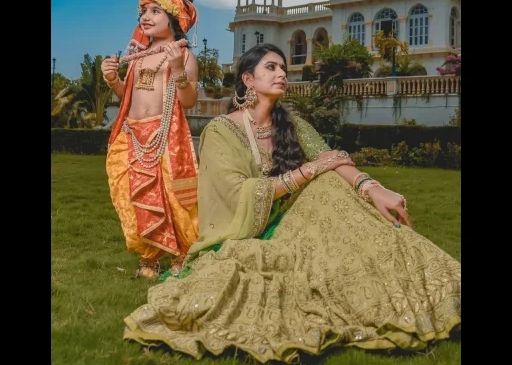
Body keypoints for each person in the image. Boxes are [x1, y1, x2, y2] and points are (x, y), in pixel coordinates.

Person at [123, 43, 461, 362]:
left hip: (302, 217)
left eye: (283, 68)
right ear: (248, 79)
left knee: (336, 188)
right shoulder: (222, 131)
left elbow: (330, 158)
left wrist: (372, 188)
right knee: (323, 181)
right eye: (271, 67)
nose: (282, 73)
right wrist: (309, 171)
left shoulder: (290, 123)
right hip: (255, 231)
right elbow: (236, 193)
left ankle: (431, 281)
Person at [101, 0, 201, 279]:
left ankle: (181, 254)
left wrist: (178, 70)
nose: (146, 16)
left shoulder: (183, 57)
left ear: (175, 19)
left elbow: (189, 102)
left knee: (171, 196)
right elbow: (128, 97)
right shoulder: (138, 57)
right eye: (143, 11)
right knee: (134, 196)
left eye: (156, 10)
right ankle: (149, 258)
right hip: (132, 134)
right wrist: (112, 80)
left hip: (164, 137)